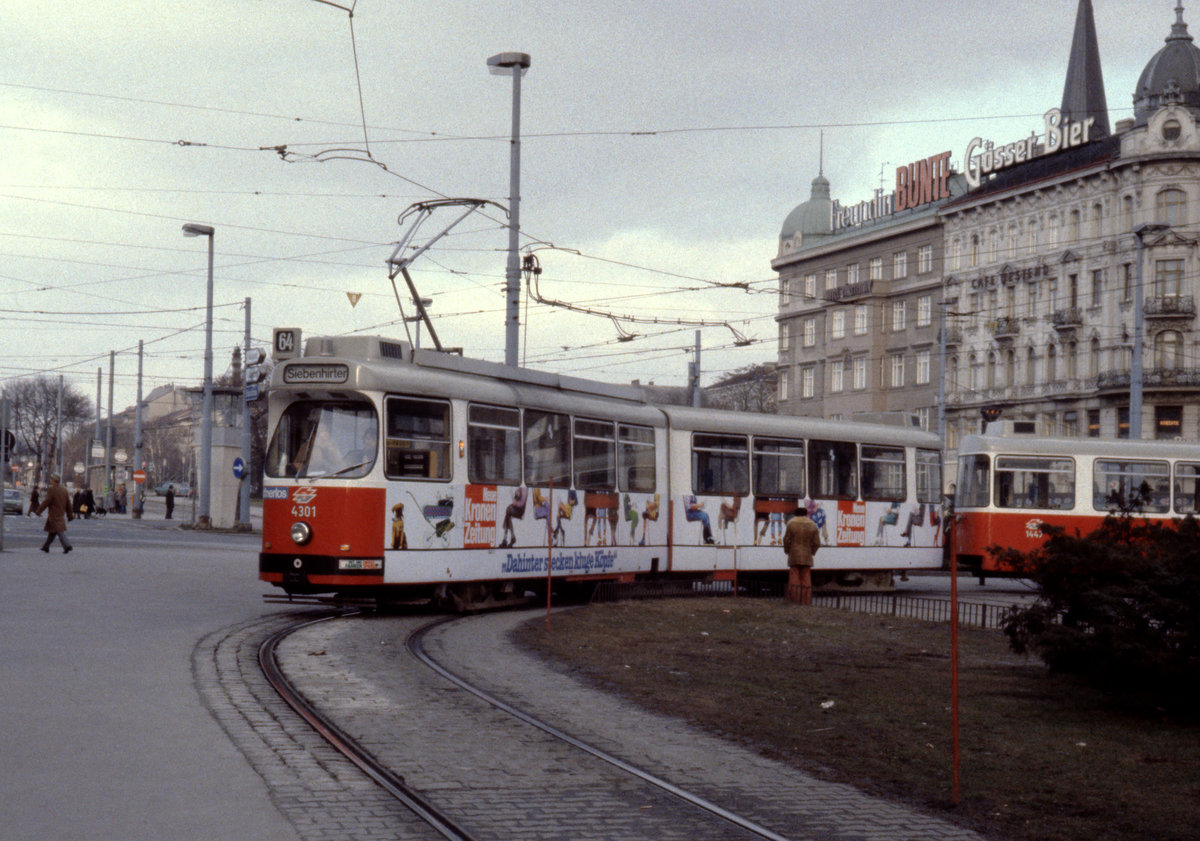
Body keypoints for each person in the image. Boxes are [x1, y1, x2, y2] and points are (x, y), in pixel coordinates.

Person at [783, 506, 821, 605]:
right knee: (806, 578)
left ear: (795, 514)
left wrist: (787, 550)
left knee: (794, 578)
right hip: (807, 555)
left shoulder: (791, 523)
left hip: (794, 554)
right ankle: (806, 601)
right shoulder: (812, 524)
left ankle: (795, 600)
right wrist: (812, 551)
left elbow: (786, 540)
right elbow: (817, 542)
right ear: (806, 514)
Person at [34, 474, 74, 554]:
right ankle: (46, 547)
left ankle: (67, 545)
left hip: (53, 514)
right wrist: (70, 515)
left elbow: (46, 502)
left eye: (51, 479)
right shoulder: (64, 490)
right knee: (52, 531)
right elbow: (68, 504)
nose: (51, 481)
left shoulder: (52, 490)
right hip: (61, 513)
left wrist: (38, 511)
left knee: (59, 531)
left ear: (54, 480)